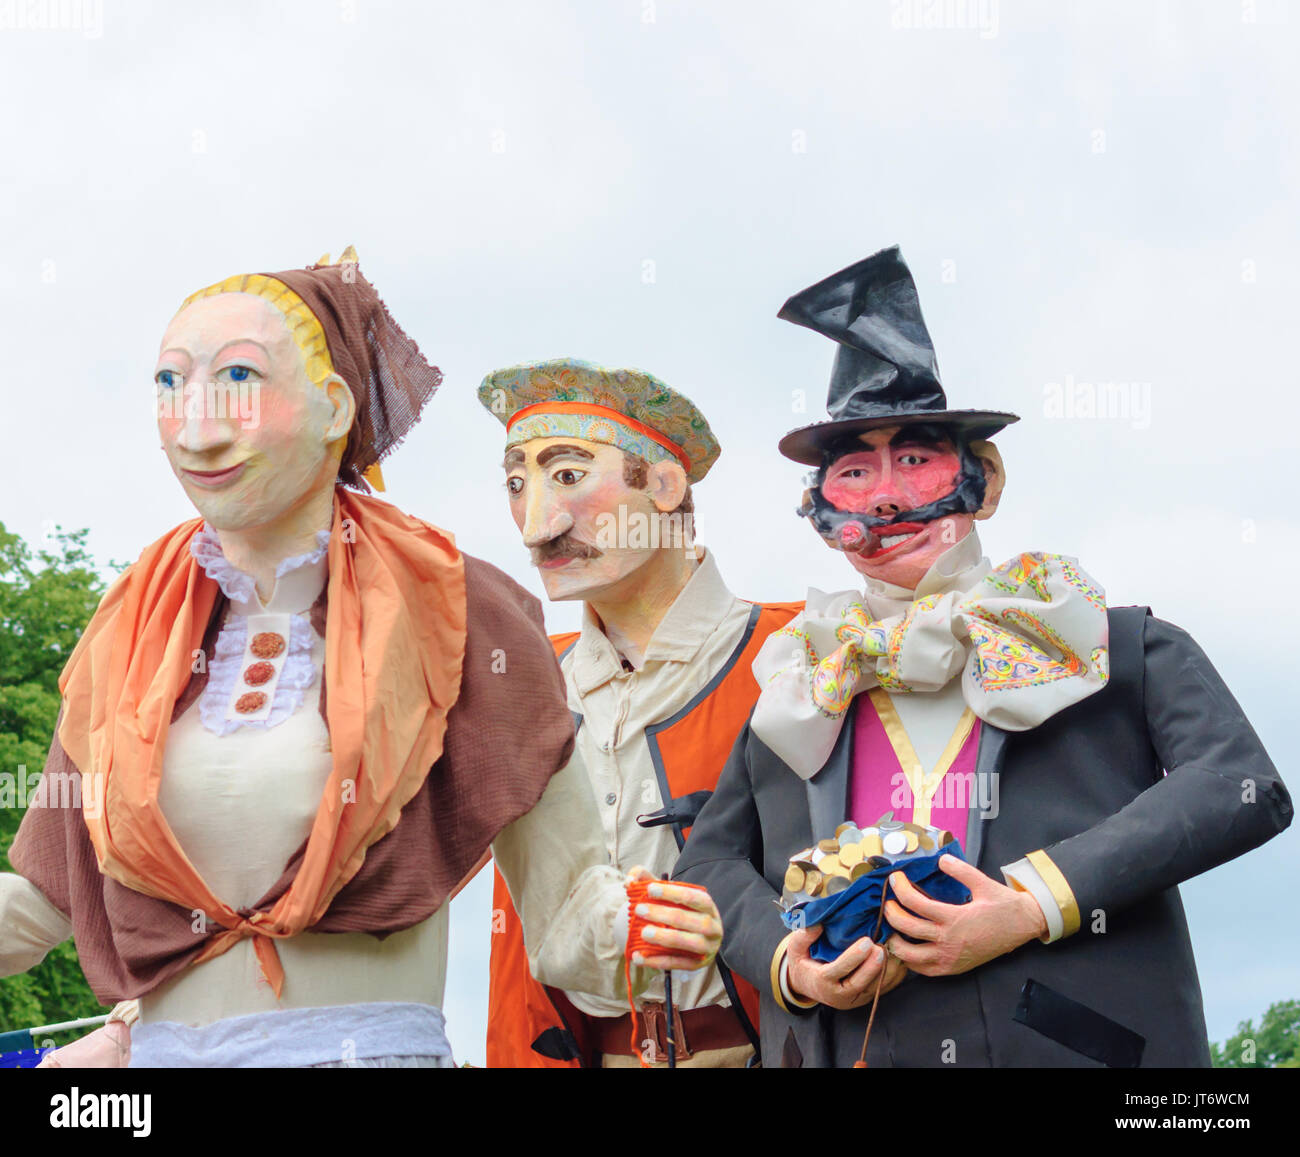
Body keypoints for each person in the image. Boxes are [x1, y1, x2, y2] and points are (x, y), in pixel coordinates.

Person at [0, 251, 719, 1068]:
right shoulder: (130, 626)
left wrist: (636, 921)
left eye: (238, 379)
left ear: (334, 405)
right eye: (170, 385)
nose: (195, 427)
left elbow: (565, 916)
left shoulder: (457, 610)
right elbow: (37, 906)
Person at [673, 246, 1292, 1068]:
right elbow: (709, 858)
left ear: (983, 481)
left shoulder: (1115, 645)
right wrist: (789, 963)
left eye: (916, 460)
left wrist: (1036, 901)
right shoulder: (796, 689)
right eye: (856, 472)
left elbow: (1241, 787)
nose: (889, 496)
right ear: (821, 515)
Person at [477, 358, 800, 1067]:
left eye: (567, 476)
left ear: (662, 484)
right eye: (515, 484)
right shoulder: (519, 678)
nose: (537, 526)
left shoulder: (797, 650)